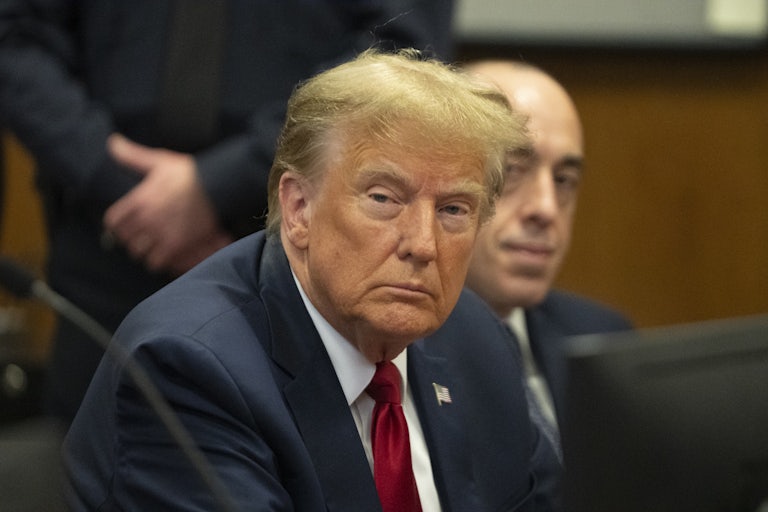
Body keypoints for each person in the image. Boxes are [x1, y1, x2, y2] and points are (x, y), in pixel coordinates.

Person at [64, 49, 561, 511]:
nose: (423, 245)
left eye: (454, 209)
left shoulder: (478, 344)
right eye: (384, 199)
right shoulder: (189, 369)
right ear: (299, 208)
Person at [0, 1, 454, 423]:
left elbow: (400, 45)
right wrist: (112, 178)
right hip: (108, 243)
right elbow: (14, 36)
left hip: (302, 245)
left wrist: (223, 182)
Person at [463, 60, 633, 431]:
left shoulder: (604, 342)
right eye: (511, 171)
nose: (546, 208)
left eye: (564, 179)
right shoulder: (394, 359)